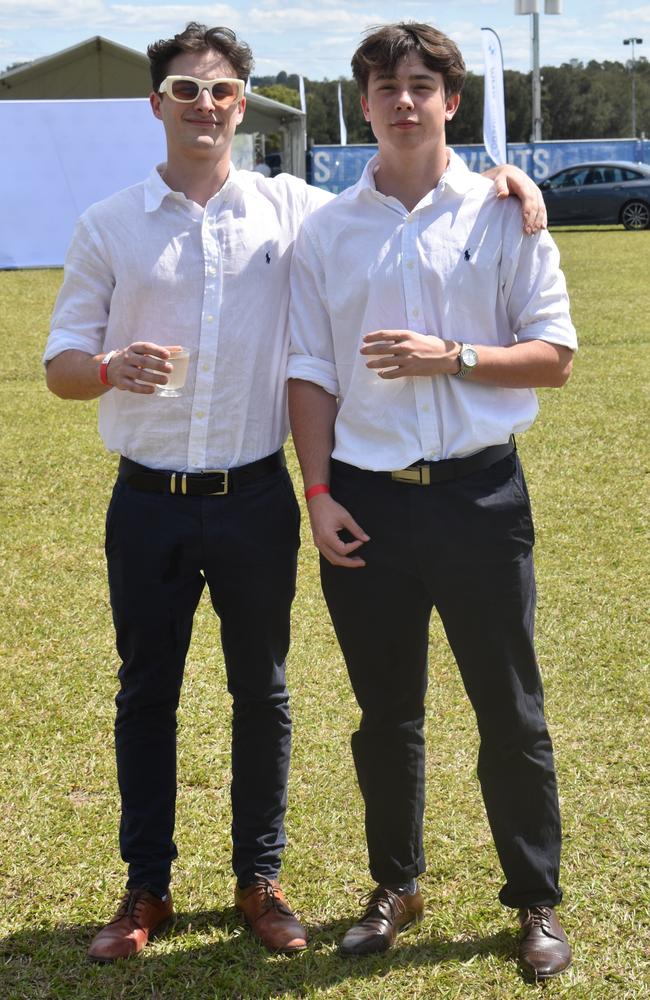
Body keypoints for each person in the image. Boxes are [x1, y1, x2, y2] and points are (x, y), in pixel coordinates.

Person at [43, 20, 548, 964]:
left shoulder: (293, 209)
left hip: (255, 499)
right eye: (186, 91)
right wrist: (110, 368)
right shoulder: (106, 225)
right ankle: (144, 889)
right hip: (145, 498)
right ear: (157, 105)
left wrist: (505, 180)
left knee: (263, 696)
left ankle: (259, 882)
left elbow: (403, 193)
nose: (205, 105)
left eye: (221, 91)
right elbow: (61, 368)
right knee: (146, 694)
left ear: (245, 104)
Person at [288, 22, 577, 983]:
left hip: (479, 496)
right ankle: (394, 885)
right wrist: (319, 491)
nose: (403, 101)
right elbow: (310, 373)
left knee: (512, 712)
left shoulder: (505, 213)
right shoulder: (325, 231)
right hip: (368, 500)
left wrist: (448, 356)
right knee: (386, 714)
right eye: (385, 86)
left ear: (451, 100)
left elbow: (555, 354)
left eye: (422, 84)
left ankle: (533, 898)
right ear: (363, 103)